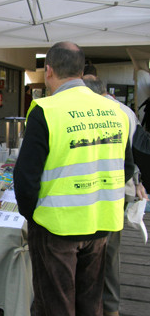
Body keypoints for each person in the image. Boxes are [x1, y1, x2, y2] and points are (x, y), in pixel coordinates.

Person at [13, 41, 135, 316]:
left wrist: (33, 216)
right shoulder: (115, 111)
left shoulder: (46, 109)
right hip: (101, 222)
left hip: (56, 226)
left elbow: (25, 177)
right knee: (91, 302)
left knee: (55, 304)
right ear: (81, 71)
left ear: (49, 71)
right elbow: (126, 167)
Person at [83, 74, 148, 316]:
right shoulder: (124, 112)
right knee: (109, 252)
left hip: (101, 191)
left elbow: (129, 156)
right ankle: (110, 307)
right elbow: (134, 155)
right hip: (117, 190)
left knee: (101, 251)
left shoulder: (98, 112)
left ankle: (101, 306)